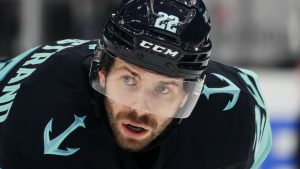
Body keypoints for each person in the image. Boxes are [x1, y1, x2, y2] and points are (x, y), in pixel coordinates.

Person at [0, 0, 272, 168]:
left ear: (185, 97)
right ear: (103, 73)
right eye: (129, 79)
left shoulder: (237, 122)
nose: (140, 108)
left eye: (163, 88)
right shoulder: (27, 121)